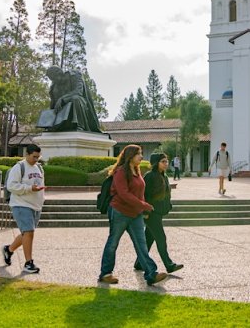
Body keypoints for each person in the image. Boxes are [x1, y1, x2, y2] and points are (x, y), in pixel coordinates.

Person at [98, 144, 167, 286]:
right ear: (130, 156)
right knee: (113, 243)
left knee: (141, 245)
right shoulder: (120, 172)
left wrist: (142, 209)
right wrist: (143, 205)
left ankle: (151, 274)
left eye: (141, 153)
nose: (141, 156)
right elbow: (123, 194)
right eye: (138, 154)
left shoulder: (136, 170)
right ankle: (105, 273)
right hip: (119, 212)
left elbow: (140, 192)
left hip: (135, 214)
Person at [134, 153, 183, 274]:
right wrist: (145, 212)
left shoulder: (164, 176)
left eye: (167, 161)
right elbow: (142, 195)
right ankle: (169, 265)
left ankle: (139, 263)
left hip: (159, 212)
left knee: (149, 239)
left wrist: (168, 205)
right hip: (151, 213)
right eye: (163, 161)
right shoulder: (149, 176)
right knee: (161, 238)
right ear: (156, 163)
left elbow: (165, 194)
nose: (166, 164)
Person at [2, 144, 45, 274]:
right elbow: (11, 186)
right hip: (21, 204)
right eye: (34, 157)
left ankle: (8, 250)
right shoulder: (19, 167)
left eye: (38, 157)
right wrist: (29, 188)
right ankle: (28, 263)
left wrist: (41, 198)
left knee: (27, 234)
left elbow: (40, 185)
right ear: (27, 154)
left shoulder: (39, 168)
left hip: (35, 205)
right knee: (29, 232)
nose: (36, 159)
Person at [37, 66, 101, 133]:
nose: (54, 81)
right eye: (52, 79)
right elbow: (53, 105)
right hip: (63, 110)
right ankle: (55, 126)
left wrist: (63, 99)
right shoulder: (54, 87)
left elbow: (79, 91)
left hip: (81, 104)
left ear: (60, 73)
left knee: (75, 98)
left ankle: (80, 125)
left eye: (55, 78)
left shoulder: (75, 75)